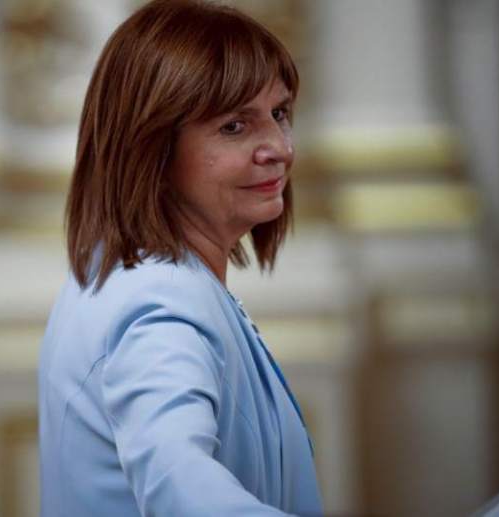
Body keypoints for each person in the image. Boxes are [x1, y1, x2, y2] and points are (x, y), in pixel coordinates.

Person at [38, 0, 322, 515]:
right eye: (234, 126)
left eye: (279, 114)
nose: (279, 148)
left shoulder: (136, 275)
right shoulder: (159, 306)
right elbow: (182, 487)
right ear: (151, 148)